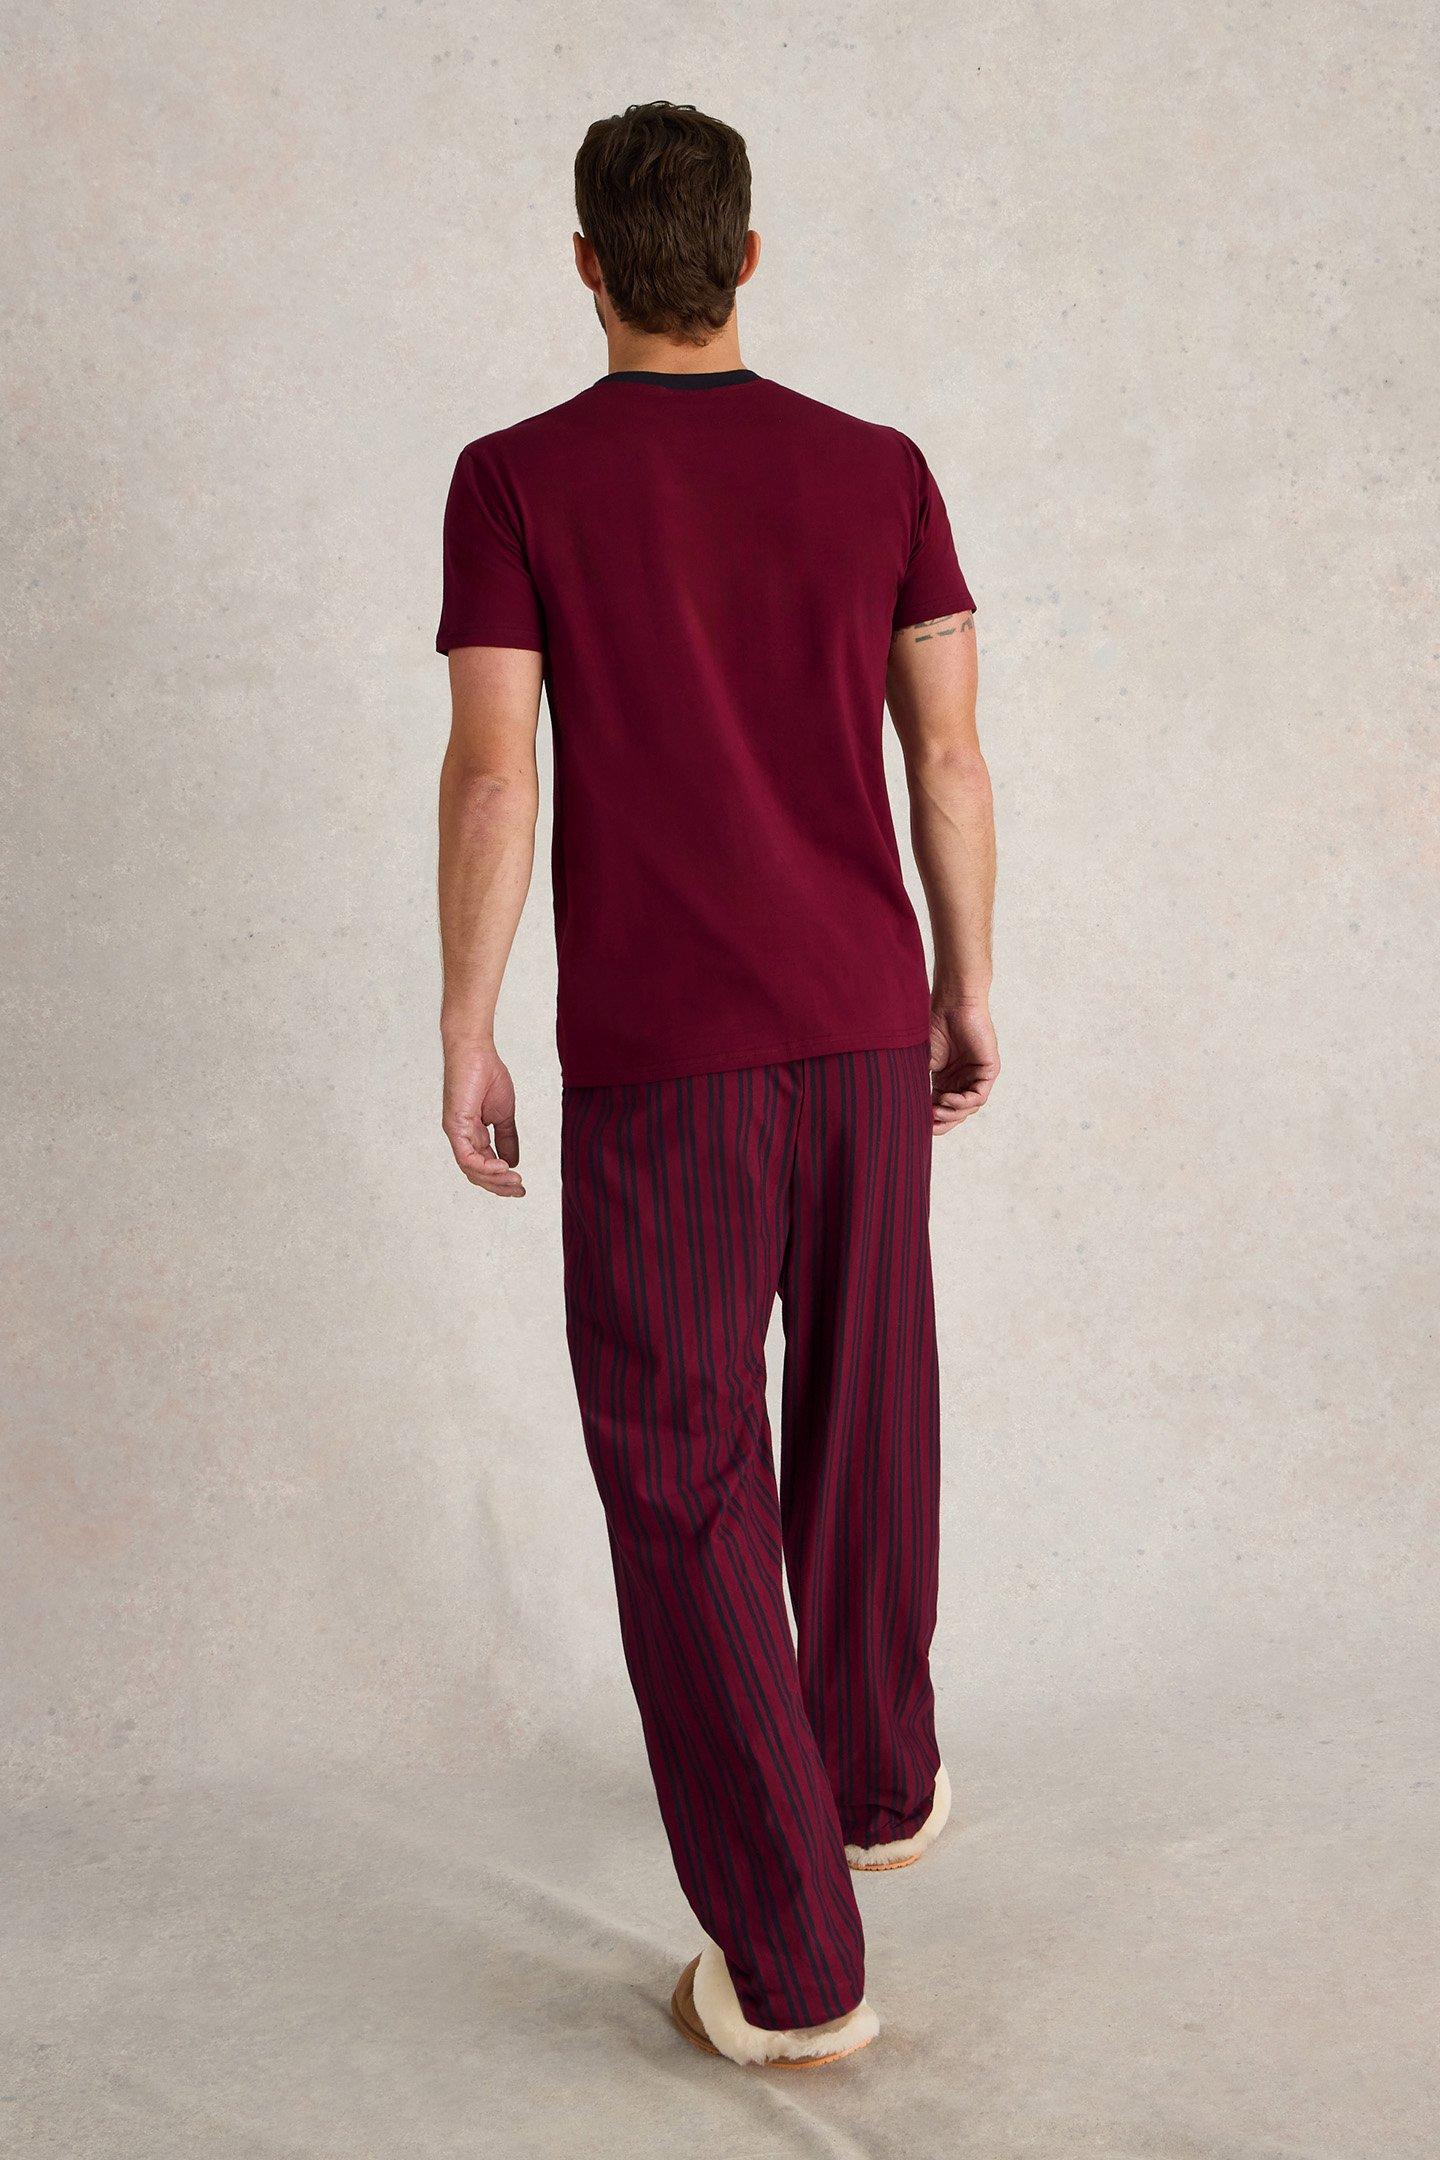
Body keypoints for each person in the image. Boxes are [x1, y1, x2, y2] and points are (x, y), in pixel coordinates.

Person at [435, 99, 998, 2068]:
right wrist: (967, 986)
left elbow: (495, 770)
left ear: (589, 268)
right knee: (867, 1402)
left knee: (684, 1475)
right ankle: (877, 1783)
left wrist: (467, 1019)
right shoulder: (880, 471)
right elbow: (948, 757)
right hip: (860, 1021)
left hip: (669, 1060)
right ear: (749, 258)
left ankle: (793, 1968)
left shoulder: (515, 481)